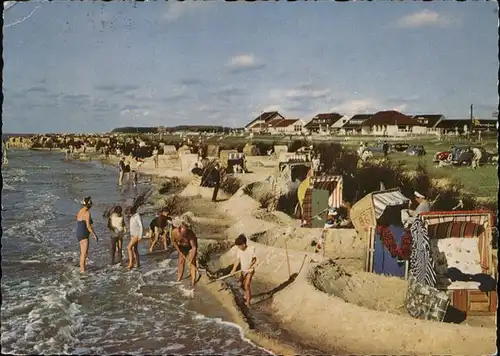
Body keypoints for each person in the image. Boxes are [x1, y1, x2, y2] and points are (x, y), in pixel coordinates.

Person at [171, 214, 198, 287]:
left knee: (192, 263)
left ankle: (193, 281)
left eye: (185, 233)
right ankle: (179, 279)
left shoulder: (190, 234)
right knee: (181, 262)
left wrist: (191, 259)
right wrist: (179, 251)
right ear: (179, 229)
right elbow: (173, 242)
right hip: (181, 247)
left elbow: (194, 247)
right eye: (183, 234)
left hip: (190, 247)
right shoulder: (174, 232)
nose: (184, 235)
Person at [230, 234, 257, 307]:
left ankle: (248, 303)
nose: (238, 247)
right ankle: (246, 294)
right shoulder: (239, 251)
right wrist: (233, 270)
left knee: (247, 285)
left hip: (250, 271)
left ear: (244, 244)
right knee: (240, 284)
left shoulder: (251, 249)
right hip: (243, 270)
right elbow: (237, 261)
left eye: (239, 246)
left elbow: (254, 259)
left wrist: (252, 263)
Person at [76, 197, 98, 273]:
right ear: (89, 204)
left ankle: (82, 267)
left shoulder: (80, 211)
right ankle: (82, 270)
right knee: (84, 254)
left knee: (82, 253)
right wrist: (94, 234)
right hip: (84, 233)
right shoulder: (87, 213)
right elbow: (88, 226)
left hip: (78, 232)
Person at [126, 205, 144, 270]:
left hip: (136, 234)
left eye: (129, 213)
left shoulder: (137, 216)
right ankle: (138, 263)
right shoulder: (133, 216)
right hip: (133, 234)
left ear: (132, 211)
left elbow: (141, 226)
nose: (128, 214)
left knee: (128, 247)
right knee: (134, 249)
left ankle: (131, 264)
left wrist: (140, 235)